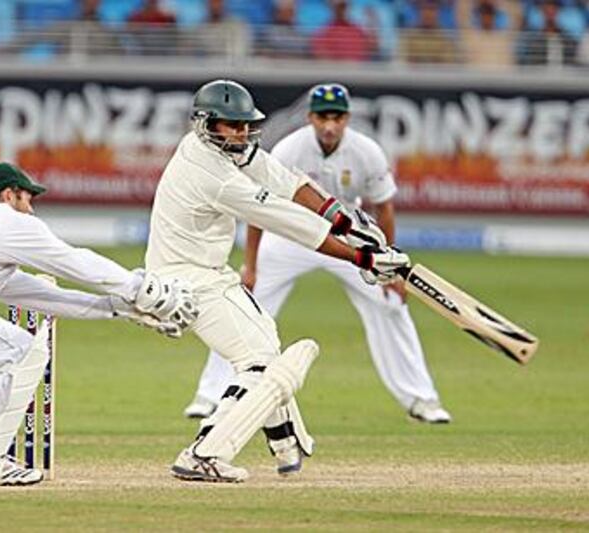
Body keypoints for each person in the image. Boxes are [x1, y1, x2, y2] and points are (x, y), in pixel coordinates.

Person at [150, 79, 411, 482]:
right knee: (257, 361)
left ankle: (282, 436)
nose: (241, 132)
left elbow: (285, 180)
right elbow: (286, 221)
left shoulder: (226, 149)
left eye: (244, 125)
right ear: (207, 125)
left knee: (266, 345)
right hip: (186, 281)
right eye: (231, 125)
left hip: (207, 272)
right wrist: (360, 255)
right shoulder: (212, 173)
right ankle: (204, 452)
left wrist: (343, 218)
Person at [0, 162, 196, 486]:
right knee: (18, 347)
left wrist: (117, 308)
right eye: (27, 199)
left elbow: (47, 298)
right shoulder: (6, 221)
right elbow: (74, 261)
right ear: (8, 195)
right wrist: (141, 290)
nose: (30, 208)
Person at [183, 83, 451, 426]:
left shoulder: (367, 152)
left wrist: (390, 267)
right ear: (310, 117)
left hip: (346, 238)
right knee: (239, 306)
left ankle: (422, 400)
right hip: (289, 236)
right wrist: (251, 265)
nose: (329, 125)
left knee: (391, 306)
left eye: (337, 117)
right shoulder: (289, 149)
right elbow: (257, 211)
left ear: (347, 119)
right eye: (323, 116)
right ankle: (209, 396)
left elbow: (384, 210)